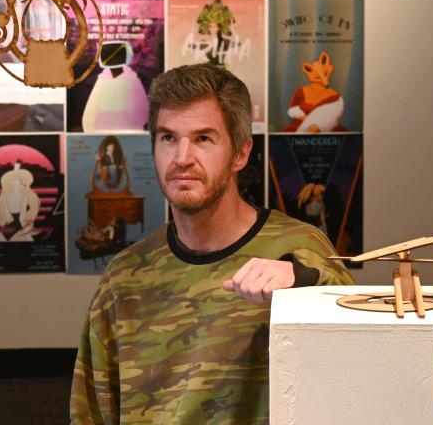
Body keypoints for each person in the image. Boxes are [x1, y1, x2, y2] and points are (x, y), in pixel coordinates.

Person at [70, 63, 355, 423]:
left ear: (240, 153)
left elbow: (356, 342)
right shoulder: (124, 277)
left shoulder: (299, 247)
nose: (182, 158)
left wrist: (305, 283)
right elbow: (90, 412)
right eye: (168, 138)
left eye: (203, 138)